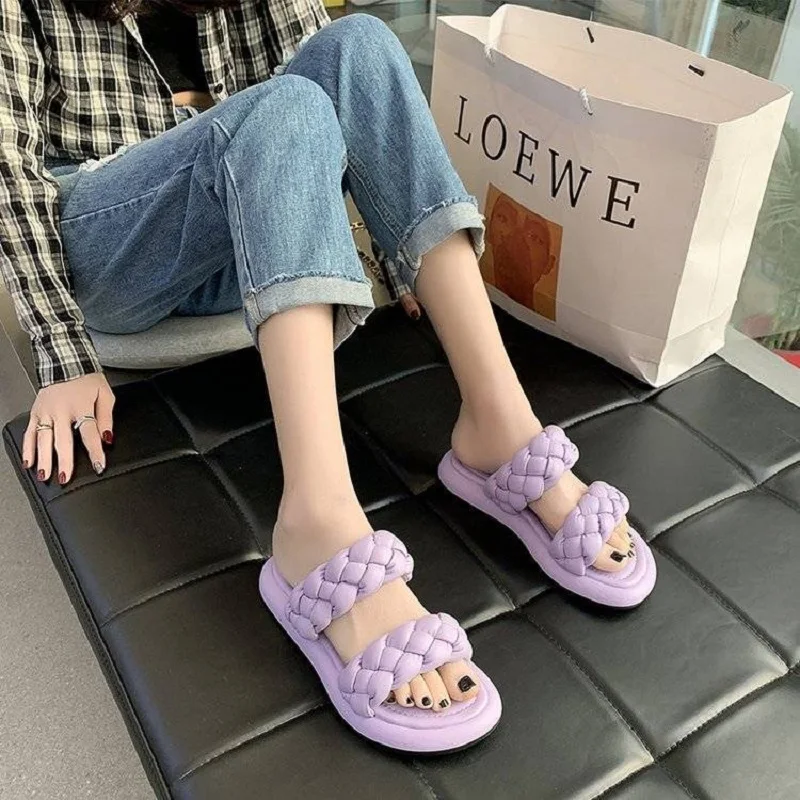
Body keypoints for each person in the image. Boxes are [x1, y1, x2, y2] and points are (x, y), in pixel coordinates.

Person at [0, 0, 656, 753]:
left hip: (253, 222)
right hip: (112, 246)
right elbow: (7, 168)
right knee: (284, 106)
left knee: (360, 47)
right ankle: (316, 520)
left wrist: (395, 252)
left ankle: (499, 422)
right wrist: (63, 352)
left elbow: (330, 86)